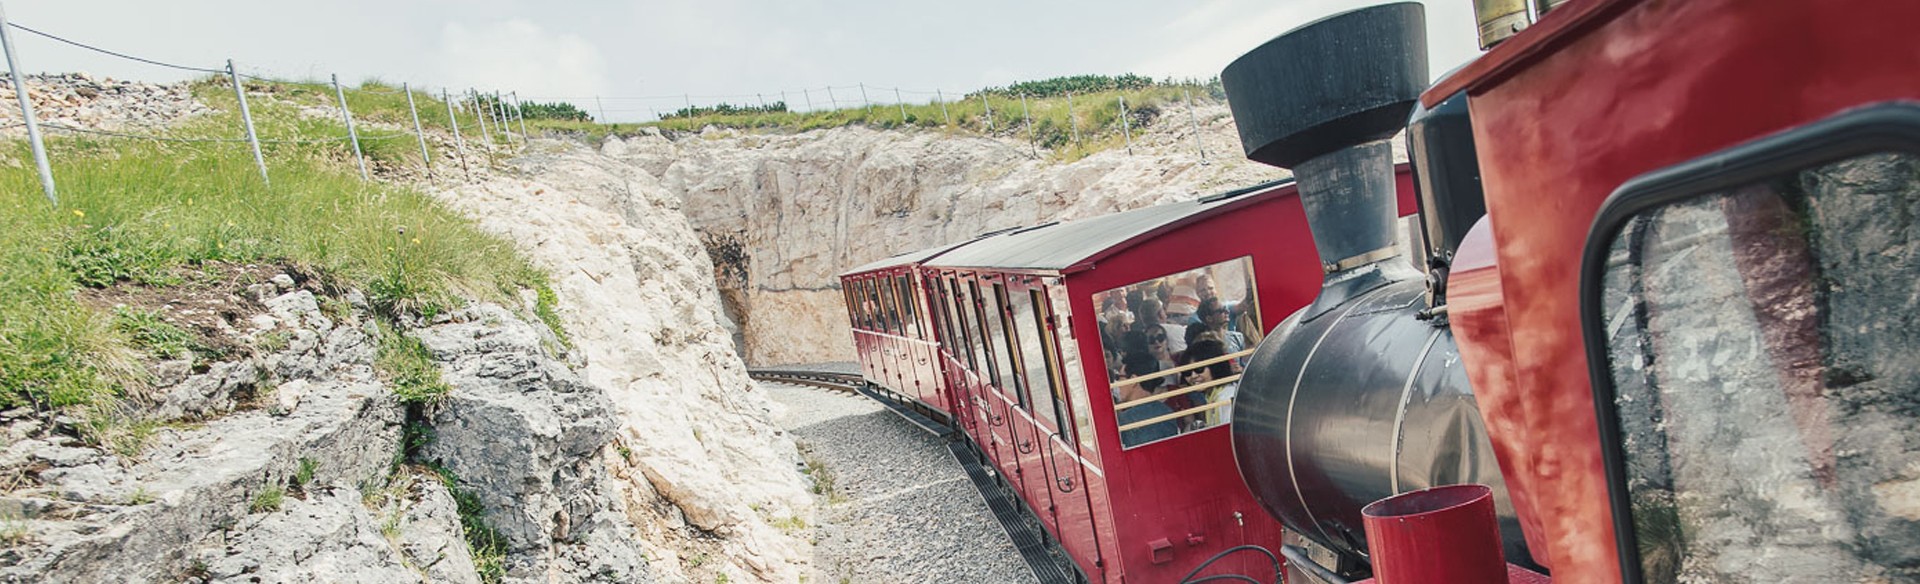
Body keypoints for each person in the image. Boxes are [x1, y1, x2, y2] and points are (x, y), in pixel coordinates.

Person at [1116, 351, 1178, 446]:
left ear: (1133, 379)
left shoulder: (1127, 419)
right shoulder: (1166, 410)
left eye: (1119, 377)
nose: (1117, 384)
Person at [1179, 339, 1237, 427]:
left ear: (1215, 367)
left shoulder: (1227, 398)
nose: (1193, 376)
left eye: (1199, 369)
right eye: (1187, 372)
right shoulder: (1212, 397)